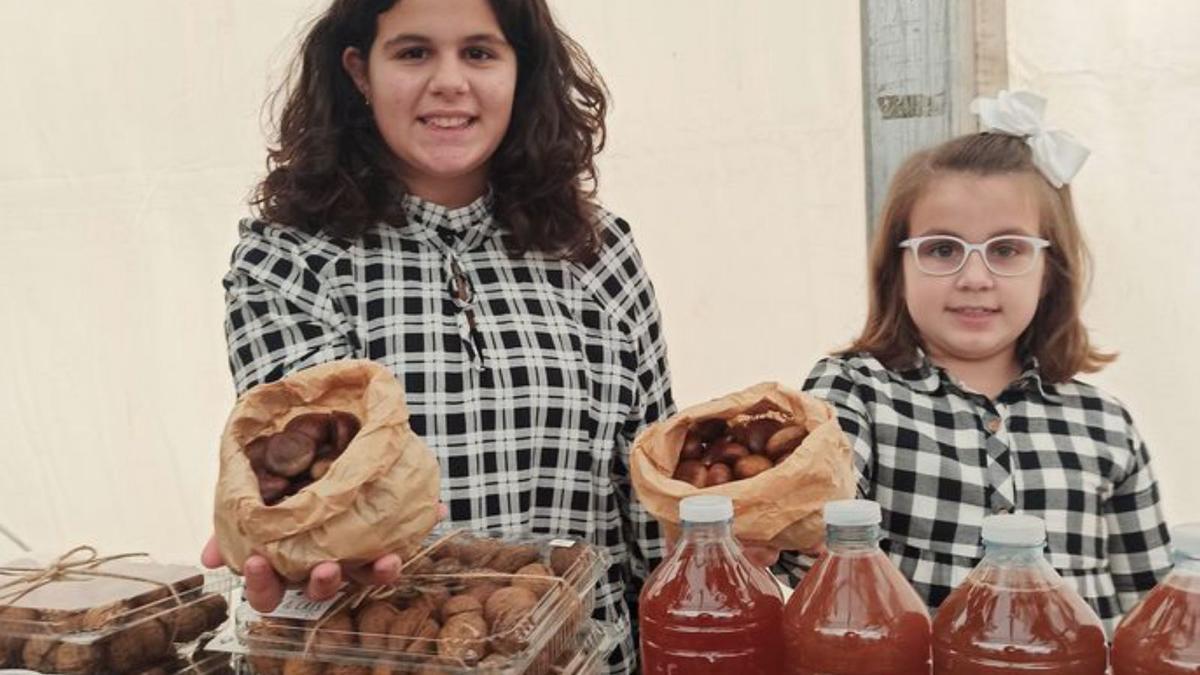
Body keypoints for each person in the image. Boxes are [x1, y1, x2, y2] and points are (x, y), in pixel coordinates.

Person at [199, 1, 672, 670]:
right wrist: (299, 544)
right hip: (375, 657)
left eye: (480, 52)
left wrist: (716, 549)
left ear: (521, 70)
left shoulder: (598, 253)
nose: (450, 82)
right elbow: (301, 479)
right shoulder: (290, 259)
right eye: (414, 52)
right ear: (360, 72)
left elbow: (652, 499)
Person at [791, 91, 1173, 630]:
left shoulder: (1106, 426)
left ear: (1052, 270)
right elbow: (808, 539)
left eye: (1007, 250)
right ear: (895, 267)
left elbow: (1157, 614)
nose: (975, 278)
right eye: (943, 249)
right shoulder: (855, 393)